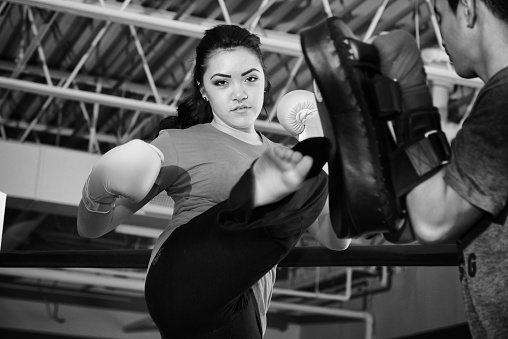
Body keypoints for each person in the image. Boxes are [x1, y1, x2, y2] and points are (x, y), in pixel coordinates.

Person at [77, 24, 350, 339]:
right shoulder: (178, 143)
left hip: (241, 310)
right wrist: (98, 186)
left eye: (250, 78)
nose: (239, 93)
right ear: (203, 89)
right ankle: (251, 203)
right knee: (302, 181)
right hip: (183, 278)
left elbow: (336, 240)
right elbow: (92, 228)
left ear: (265, 81)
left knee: (311, 184)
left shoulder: (284, 160)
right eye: (222, 82)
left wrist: (315, 138)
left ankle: (266, 196)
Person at [375, 1, 508, 337]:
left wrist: (413, 93)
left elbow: (434, 220)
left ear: (467, 10)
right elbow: (429, 211)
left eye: (439, 16)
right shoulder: (493, 102)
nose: (439, 32)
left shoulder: (503, 101)